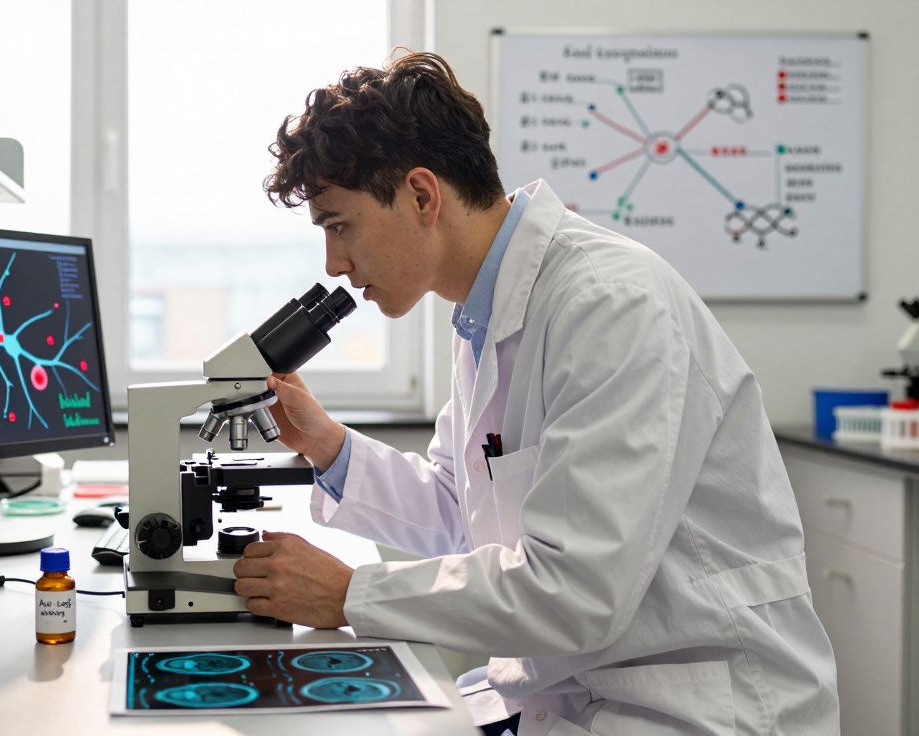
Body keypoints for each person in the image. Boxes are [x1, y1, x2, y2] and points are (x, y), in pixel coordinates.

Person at [231, 51, 840, 735]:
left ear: (422, 196)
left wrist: (350, 595)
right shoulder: (483, 315)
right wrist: (326, 445)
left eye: (338, 226)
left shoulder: (609, 305)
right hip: (573, 693)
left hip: (692, 706)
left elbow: (576, 591)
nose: (334, 265)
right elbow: (464, 517)